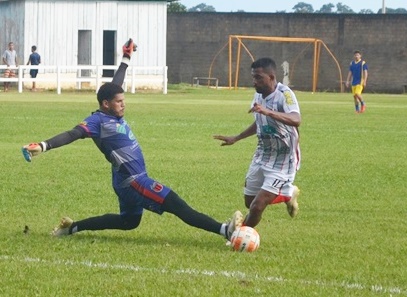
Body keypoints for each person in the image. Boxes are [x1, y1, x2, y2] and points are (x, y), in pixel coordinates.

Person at [21, 39, 243, 242]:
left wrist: (126, 59)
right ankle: (225, 230)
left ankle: (71, 228)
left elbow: (115, 85)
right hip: (134, 180)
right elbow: (73, 134)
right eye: (119, 102)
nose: (123, 104)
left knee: (129, 222)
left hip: (123, 179)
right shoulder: (97, 121)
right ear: (106, 104)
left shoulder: (110, 111)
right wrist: (44, 145)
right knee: (176, 204)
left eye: (123, 100)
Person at [214, 57, 301, 228]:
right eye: (253, 77)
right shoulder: (258, 96)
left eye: (259, 77)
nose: (254, 82)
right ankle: (288, 194)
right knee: (250, 202)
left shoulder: (285, 95)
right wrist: (236, 138)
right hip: (262, 155)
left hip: (283, 160)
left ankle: (239, 236)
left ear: (271, 76)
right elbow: (259, 122)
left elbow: (296, 119)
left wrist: (269, 112)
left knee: (257, 206)